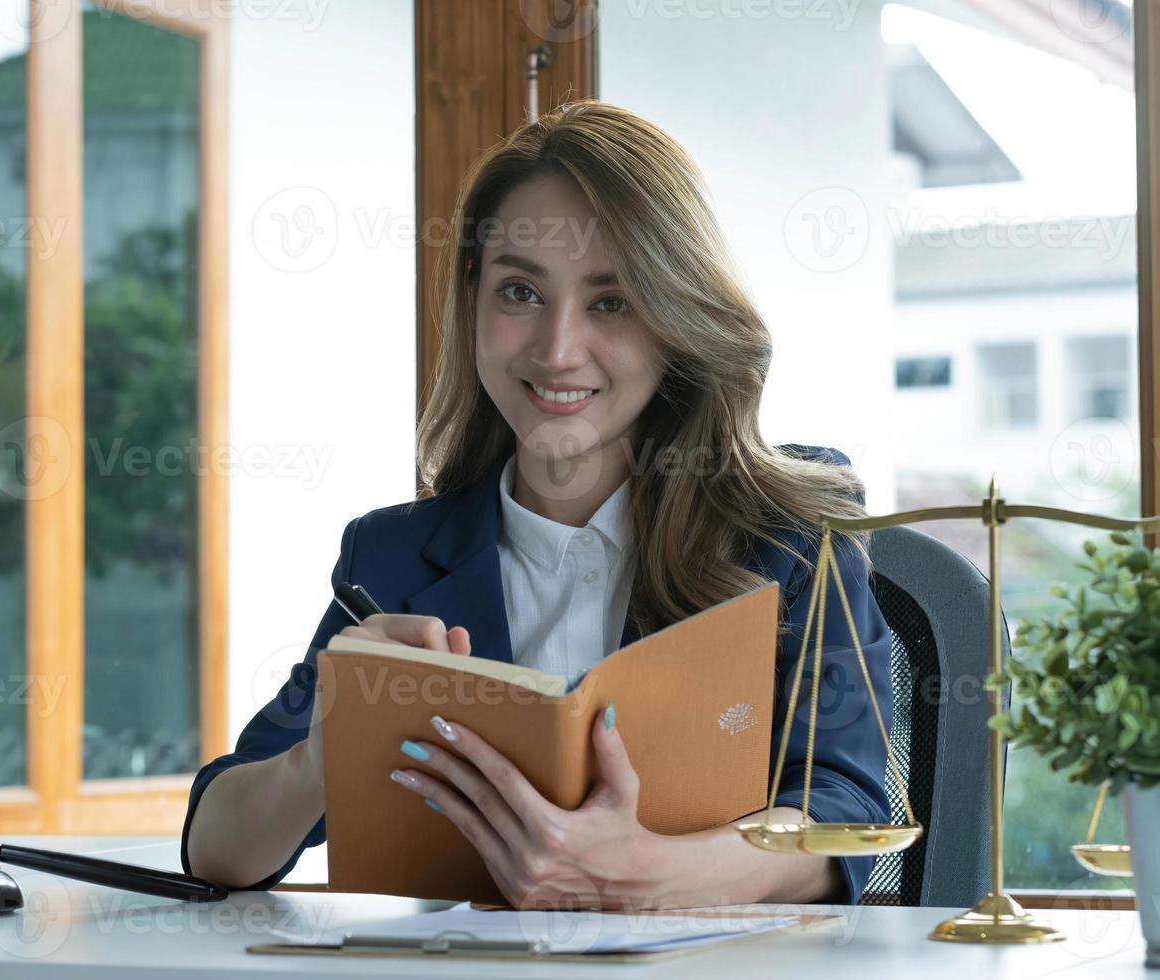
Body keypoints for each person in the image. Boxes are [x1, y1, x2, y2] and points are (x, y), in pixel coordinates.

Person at [182, 100, 892, 909]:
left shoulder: (786, 533)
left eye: (610, 301)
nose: (556, 351)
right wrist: (317, 761)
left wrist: (648, 878)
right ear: (472, 303)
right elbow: (218, 851)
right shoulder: (390, 558)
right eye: (519, 291)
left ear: (676, 318)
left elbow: (844, 814)